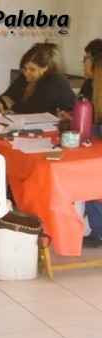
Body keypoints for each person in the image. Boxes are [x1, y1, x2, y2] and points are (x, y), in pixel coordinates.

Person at [0, 42, 75, 114]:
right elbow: (7, 95)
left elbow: (35, 109)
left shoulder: (54, 81)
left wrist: (13, 106)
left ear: (45, 67)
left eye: (32, 69)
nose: (27, 73)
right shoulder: (24, 77)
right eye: (24, 68)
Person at [77, 39, 102, 248]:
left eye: (85, 58)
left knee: (93, 177)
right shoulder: (90, 85)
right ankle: (98, 230)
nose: (82, 62)